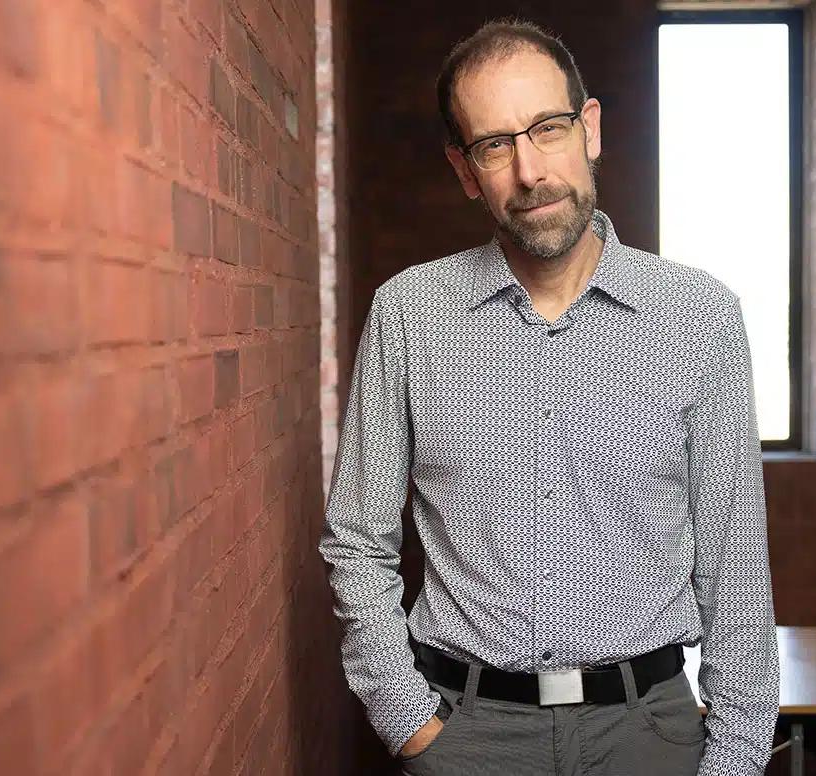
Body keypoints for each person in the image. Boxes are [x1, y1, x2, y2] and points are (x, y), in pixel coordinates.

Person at [318, 17, 778, 776]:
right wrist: (408, 722)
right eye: (495, 145)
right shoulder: (409, 314)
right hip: (466, 737)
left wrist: (734, 758)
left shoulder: (701, 317)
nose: (529, 170)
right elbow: (357, 539)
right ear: (466, 171)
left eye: (549, 128)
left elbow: (737, 568)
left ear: (589, 129)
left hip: (648, 737)